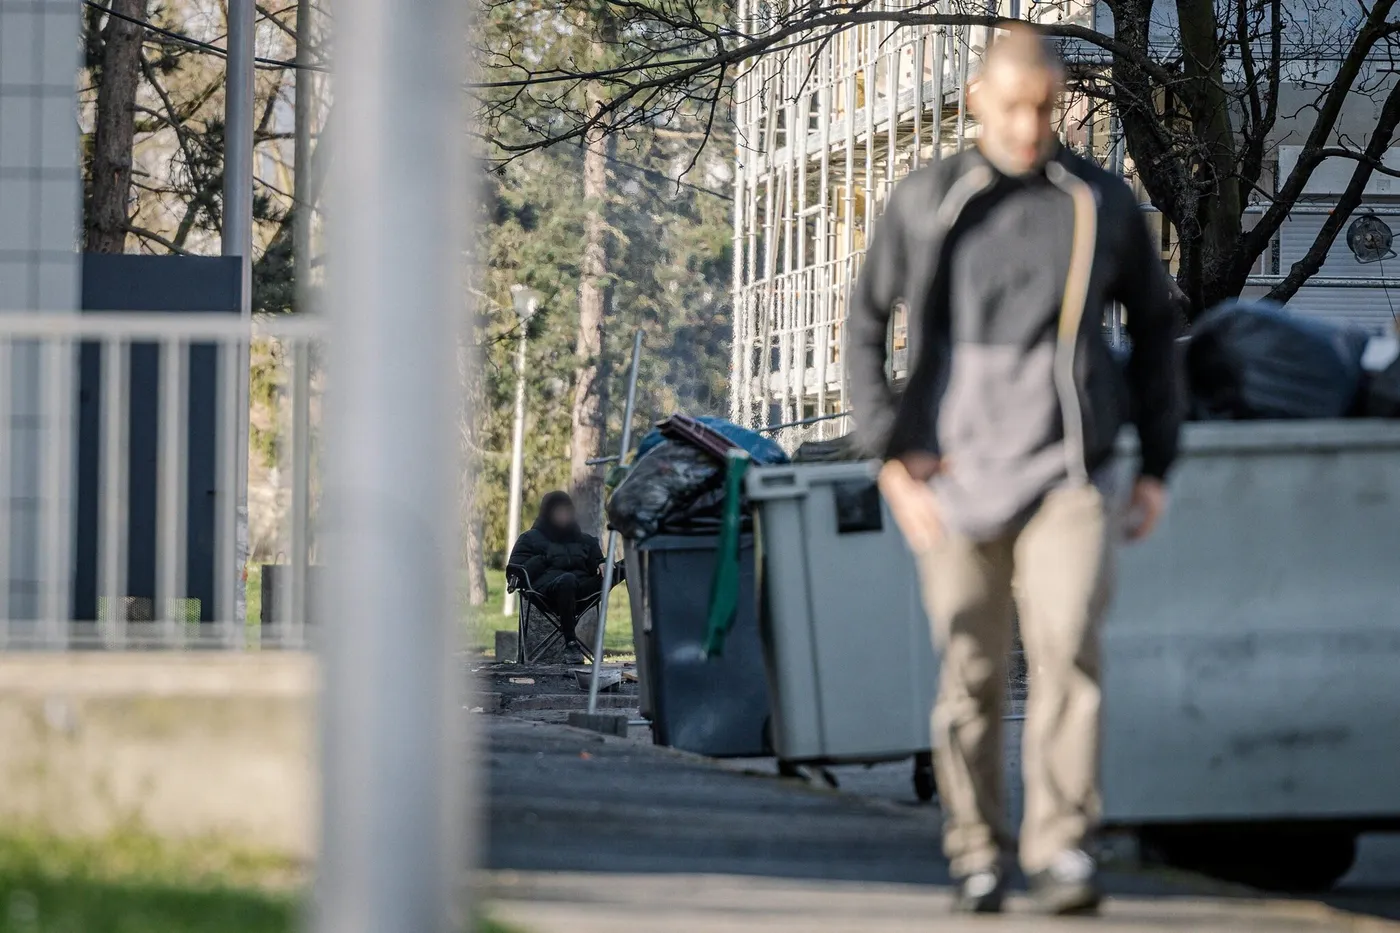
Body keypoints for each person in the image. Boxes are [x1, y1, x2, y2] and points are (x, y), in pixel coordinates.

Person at [846, 23, 1182, 917]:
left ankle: (1062, 847)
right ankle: (977, 852)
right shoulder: (930, 199)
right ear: (977, 102)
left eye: (1045, 108)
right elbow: (865, 321)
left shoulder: (1098, 201)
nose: (1030, 128)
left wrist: (1156, 463)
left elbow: (1156, 331)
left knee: (1068, 651)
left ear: (1059, 102)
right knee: (973, 671)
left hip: (1068, 473)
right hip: (953, 480)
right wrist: (890, 456)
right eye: (1012, 108)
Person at [509, 491, 623, 664]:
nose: (564, 516)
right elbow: (516, 572)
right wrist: (545, 558)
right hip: (546, 594)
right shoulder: (529, 539)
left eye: (567, 511)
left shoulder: (585, 540)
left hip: (583, 592)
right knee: (567, 580)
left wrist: (604, 563)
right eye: (559, 511)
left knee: (627, 565)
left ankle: (645, 637)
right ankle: (571, 644)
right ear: (547, 513)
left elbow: (597, 562)